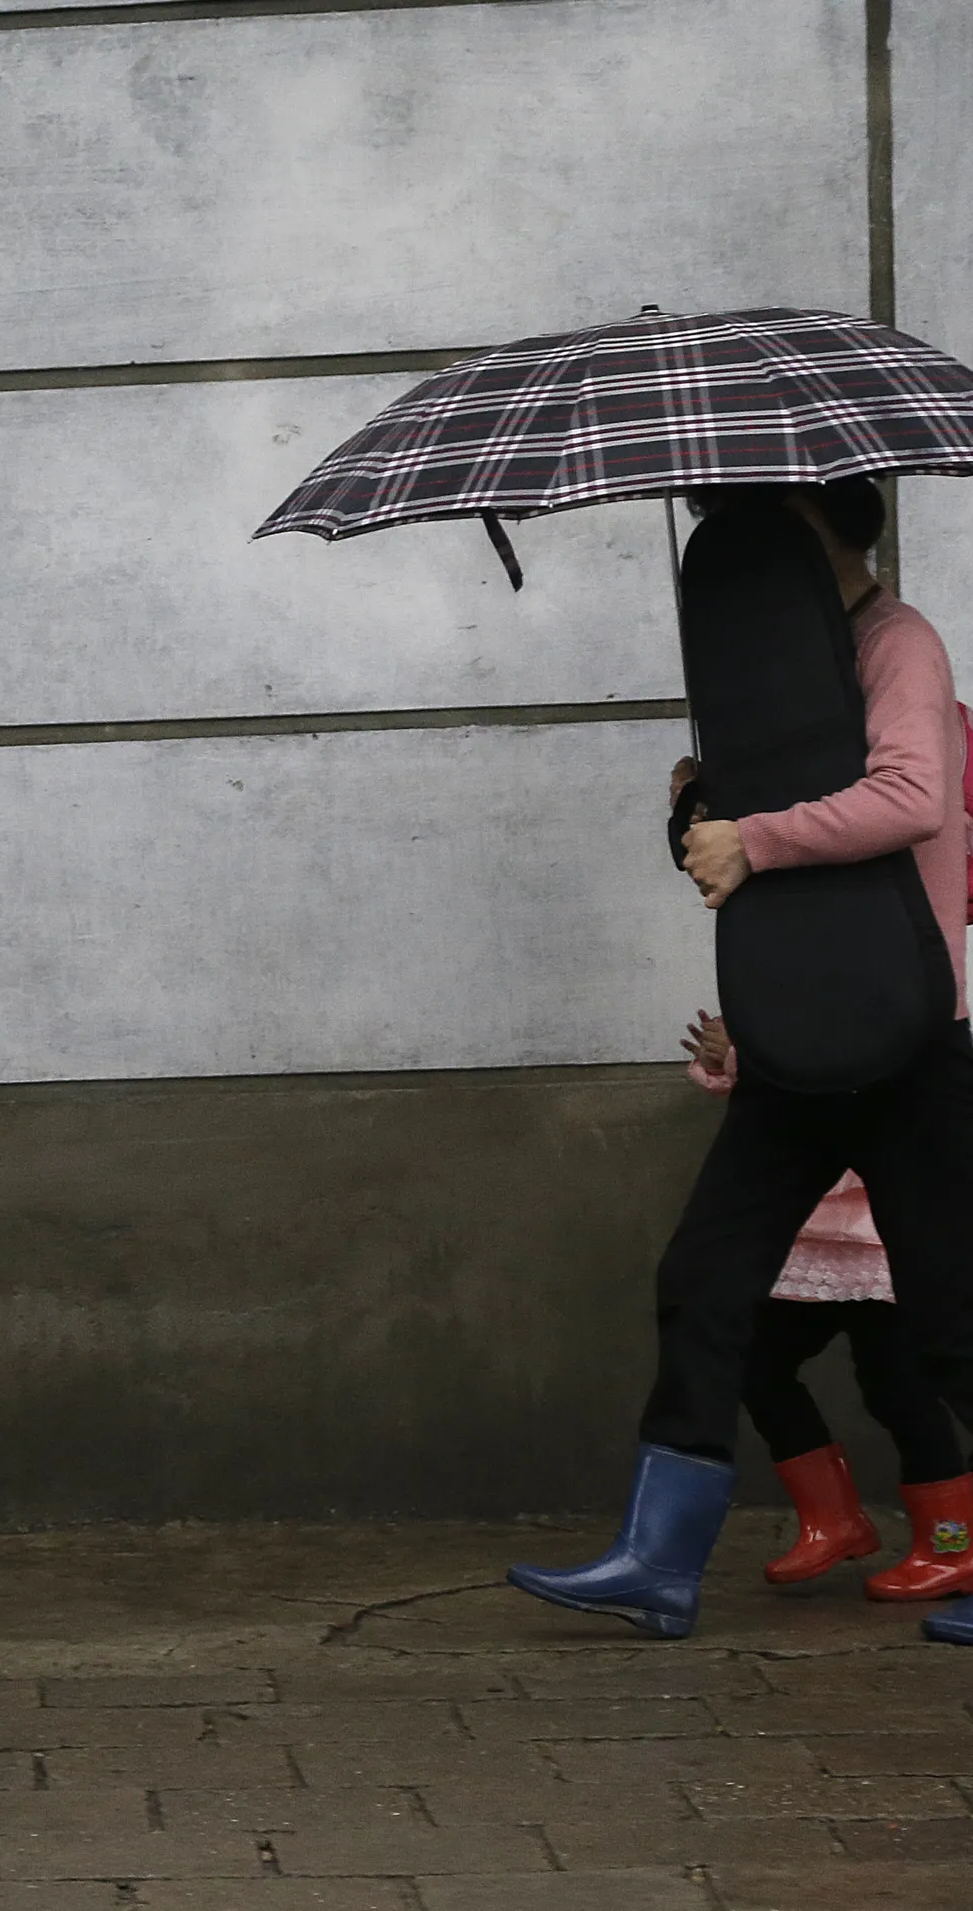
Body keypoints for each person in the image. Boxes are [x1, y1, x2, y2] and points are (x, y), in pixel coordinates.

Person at [508, 476, 973, 1639]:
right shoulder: (774, 670)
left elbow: (914, 797)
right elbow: (743, 856)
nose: (733, 546)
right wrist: (702, 817)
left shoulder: (894, 642)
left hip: (903, 1035)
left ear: (818, 532)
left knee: (952, 1318)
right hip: (797, 1036)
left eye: (756, 527)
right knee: (703, 1283)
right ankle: (657, 1562)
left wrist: (754, 838)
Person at [681, 1010, 973, 1597]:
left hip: (881, 1231)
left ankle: (953, 1545)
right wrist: (726, 1058)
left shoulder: (890, 983)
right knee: (756, 1361)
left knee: (899, 1388)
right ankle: (833, 1519)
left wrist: (746, 1058)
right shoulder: (792, 976)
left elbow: (850, 1082)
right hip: (806, 1230)